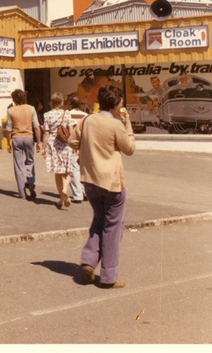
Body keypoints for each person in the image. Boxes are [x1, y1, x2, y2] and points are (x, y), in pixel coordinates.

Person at [68, 85, 135, 289]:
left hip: (90, 180)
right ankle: (108, 276)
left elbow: (72, 141)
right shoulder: (115, 125)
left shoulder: (87, 120)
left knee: (99, 219)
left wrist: (87, 151)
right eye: (121, 104)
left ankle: (89, 261)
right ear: (115, 105)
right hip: (112, 182)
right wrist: (128, 126)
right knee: (113, 227)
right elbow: (129, 149)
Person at [6, 89, 41, 200]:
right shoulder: (31, 109)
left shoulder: (11, 110)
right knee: (30, 161)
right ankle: (30, 181)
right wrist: (39, 142)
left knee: (18, 165)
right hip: (29, 138)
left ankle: (22, 192)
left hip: (16, 138)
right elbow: (36, 126)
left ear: (14, 99)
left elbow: (8, 128)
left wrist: (8, 142)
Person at [41, 92, 74, 209]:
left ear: (52, 103)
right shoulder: (67, 113)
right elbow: (71, 130)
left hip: (53, 144)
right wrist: (74, 145)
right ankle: (65, 189)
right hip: (65, 144)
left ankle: (61, 197)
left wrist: (43, 148)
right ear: (61, 103)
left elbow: (46, 133)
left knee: (57, 172)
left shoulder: (47, 115)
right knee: (67, 170)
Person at [67, 95, 88, 202]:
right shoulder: (85, 115)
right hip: (84, 144)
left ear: (70, 104)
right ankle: (85, 192)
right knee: (83, 169)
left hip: (72, 145)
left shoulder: (68, 115)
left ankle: (77, 194)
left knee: (74, 169)